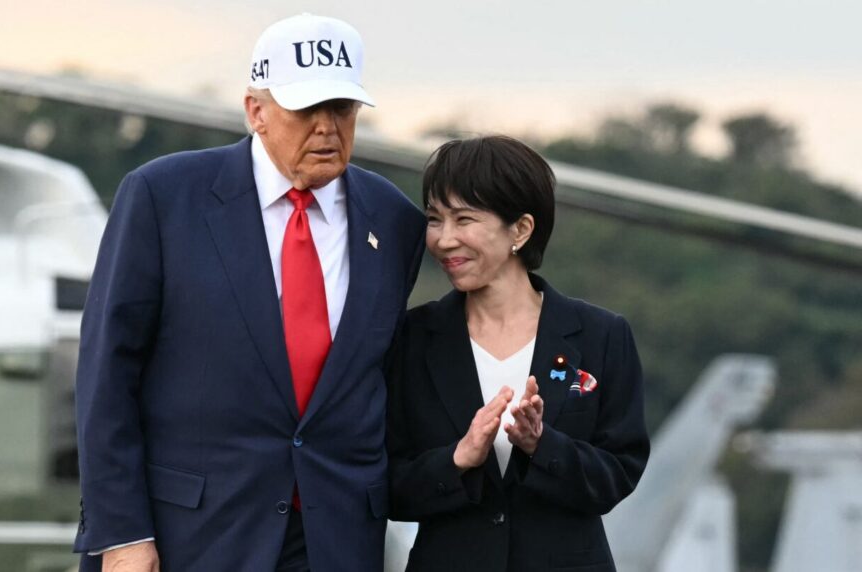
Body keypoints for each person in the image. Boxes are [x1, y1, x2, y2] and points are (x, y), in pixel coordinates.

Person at [73, 14, 426, 572]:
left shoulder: (395, 220)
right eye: (306, 109)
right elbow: (105, 376)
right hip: (189, 538)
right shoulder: (163, 198)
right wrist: (121, 533)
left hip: (336, 543)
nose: (327, 128)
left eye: (342, 108)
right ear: (255, 111)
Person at [386, 135, 649, 571]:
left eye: (464, 219)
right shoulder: (412, 338)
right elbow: (384, 483)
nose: (444, 239)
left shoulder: (601, 336)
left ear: (521, 229)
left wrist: (542, 445)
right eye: (435, 219)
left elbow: (619, 473)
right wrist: (456, 459)